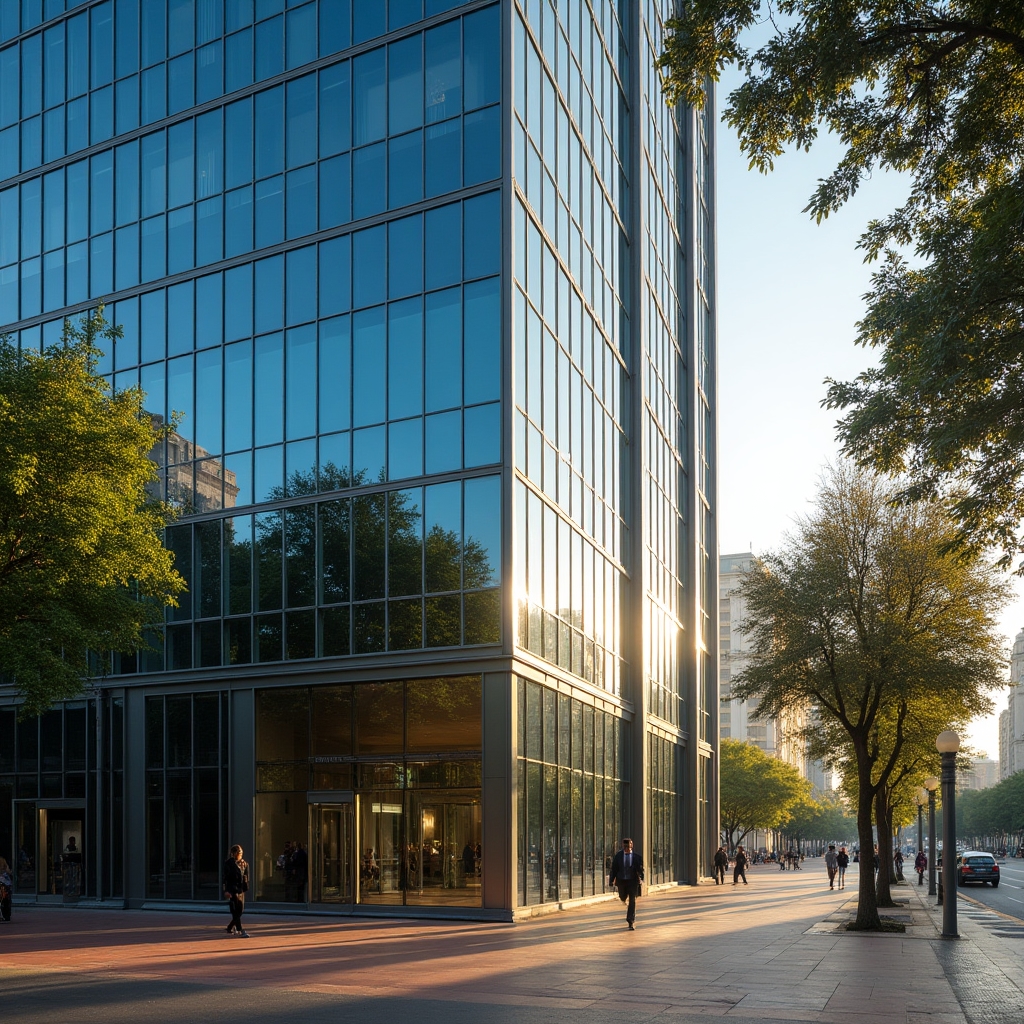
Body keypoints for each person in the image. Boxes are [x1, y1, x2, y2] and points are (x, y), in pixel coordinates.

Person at [608, 837, 644, 930]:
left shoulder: (637, 857)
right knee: (622, 897)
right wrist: (611, 880)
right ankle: (624, 899)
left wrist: (641, 877)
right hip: (621, 881)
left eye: (629, 845)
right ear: (623, 846)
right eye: (625, 846)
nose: (627, 848)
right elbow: (614, 869)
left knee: (632, 900)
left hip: (632, 881)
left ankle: (630, 921)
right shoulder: (618, 856)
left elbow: (640, 869)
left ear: (632, 845)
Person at [223, 844, 250, 937]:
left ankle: (230, 927)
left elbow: (246, 876)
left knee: (240, 910)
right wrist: (226, 890)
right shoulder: (228, 864)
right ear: (233, 853)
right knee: (235, 909)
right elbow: (225, 878)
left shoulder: (245, 864)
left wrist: (245, 887)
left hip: (241, 889)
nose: (240, 854)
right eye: (238, 852)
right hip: (232, 889)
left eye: (241, 852)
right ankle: (240, 929)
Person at [0, 856, 12, 922]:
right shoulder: (3, 860)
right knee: (6, 900)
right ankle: (6, 915)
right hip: (5, 884)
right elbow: (8, 872)